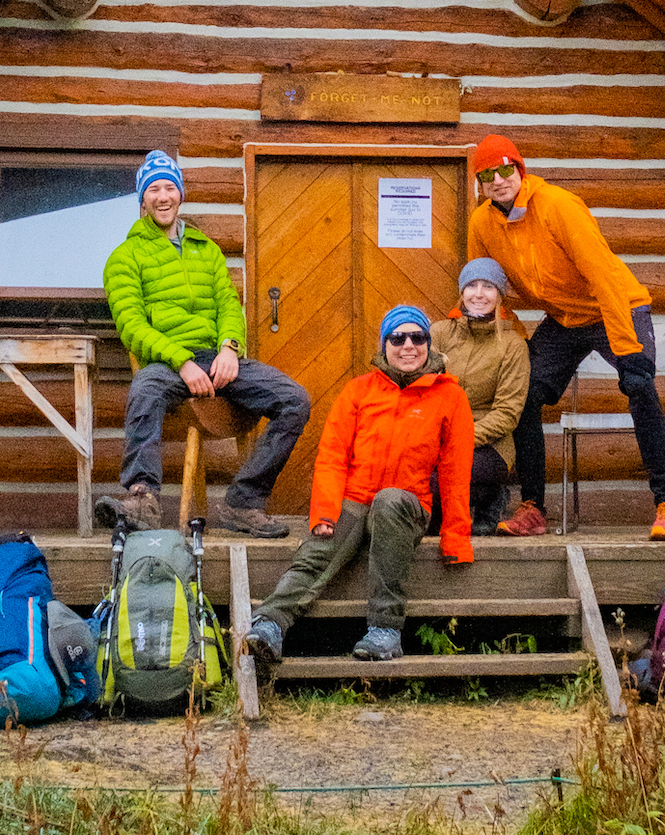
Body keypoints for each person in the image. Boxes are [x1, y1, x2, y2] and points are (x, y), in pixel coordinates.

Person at [465, 133, 665, 542]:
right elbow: (485, 283)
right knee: (524, 391)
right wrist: (508, 348)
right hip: (564, 318)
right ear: (479, 183)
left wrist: (627, 345)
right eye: (487, 174)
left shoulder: (558, 207)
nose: (498, 180)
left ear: (520, 169)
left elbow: (602, 274)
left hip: (614, 304)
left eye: (505, 169)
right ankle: (533, 508)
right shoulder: (482, 222)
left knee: (639, 384)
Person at [243, 304, 474, 666]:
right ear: (385, 345)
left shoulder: (451, 397)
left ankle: (385, 631)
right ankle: (271, 623)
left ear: (430, 344)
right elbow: (333, 455)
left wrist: (456, 537)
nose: (408, 345)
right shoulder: (358, 391)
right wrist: (323, 512)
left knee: (389, 500)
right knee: (319, 550)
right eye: (398, 338)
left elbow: (455, 470)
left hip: (408, 504)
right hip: (355, 498)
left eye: (418, 337)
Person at [100, 150, 309, 536]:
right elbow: (131, 326)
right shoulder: (124, 257)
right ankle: (143, 500)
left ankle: (242, 503)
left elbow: (229, 305)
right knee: (144, 388)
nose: (163, 196)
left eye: (169, 187)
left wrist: (230, 347)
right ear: (142, 199)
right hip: (168, 362)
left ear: (180, 194)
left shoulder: (206, 249)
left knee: (294, 400)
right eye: (154, 189)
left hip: (217, 358)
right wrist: (181, 361)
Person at [429, 257, 530, 537]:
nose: (479, 294)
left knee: (439, 480)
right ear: (462, 292)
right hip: (437, 435)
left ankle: (487, 496)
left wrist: (460, 437)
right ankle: (486, 496)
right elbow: (421, 386)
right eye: (472, 285)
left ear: (500, 294)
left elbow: (507, 413)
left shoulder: (513, 345)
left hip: (490, 445)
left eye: (488, 286)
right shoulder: (439, 333)